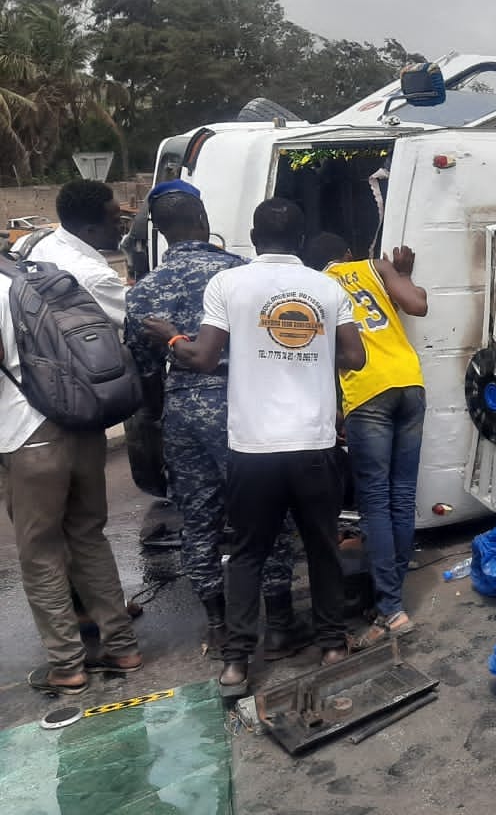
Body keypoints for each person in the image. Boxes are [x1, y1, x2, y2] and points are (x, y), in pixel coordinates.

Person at [145, 198, 366, 697]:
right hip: (314, 442)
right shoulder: (326, 288)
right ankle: (332, 644)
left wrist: (170, 337)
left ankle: (236, 665)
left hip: (253, 447)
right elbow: (354, 356)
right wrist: (309, 344)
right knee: (322, 546)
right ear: (304, 238)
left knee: (247, 553)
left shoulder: (228, 284)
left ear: (252, 234)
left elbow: (202, 358)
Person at [123, 182, 303, 661]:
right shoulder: (242, 274)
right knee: (267, 514)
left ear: (160, 232)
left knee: (198, 520)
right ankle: (280, 624)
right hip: (246, 406)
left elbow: (144, 374)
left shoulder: (143, 294)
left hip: (184, 412)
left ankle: (221, 629)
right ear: (204, 220)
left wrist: (163, 423)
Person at [1, 184, 141, 695]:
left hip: (29, 436)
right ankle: (123, 646)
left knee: (40, 552)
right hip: (83, 425)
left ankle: (68, 663)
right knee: (88, 536)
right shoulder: (41, 272)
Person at [303, 233, 428, 648]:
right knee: (402, 495)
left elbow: (320, 356)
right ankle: (390, 599)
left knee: (374, 500)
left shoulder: (315, 288)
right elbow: (418, 303)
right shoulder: (375, 266)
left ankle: (391, 609)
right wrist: (404, 275)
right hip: (409, 383)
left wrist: (334, 408)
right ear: (348, 255)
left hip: (367, 392)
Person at [28, 180, 127, 328]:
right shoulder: (95, 278)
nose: (123, 228)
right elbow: (144, 318)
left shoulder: (35, 242)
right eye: (116, 221)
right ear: (90, 231)